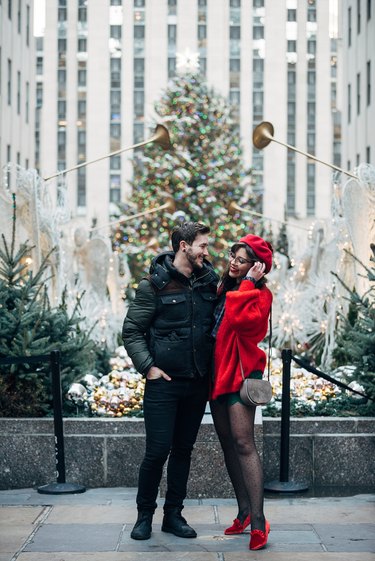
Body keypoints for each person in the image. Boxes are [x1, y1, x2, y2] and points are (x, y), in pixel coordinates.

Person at [122, 221, 218, 541]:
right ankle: (144, 515)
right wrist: (148, 367)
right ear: (184, 246)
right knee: (157, 450)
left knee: (183, 450)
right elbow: (132, 331)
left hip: (197, 382)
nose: (207, 251)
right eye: (202, 245)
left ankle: (173, 515)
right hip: (163, 383)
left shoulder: (208, 281)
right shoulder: (153, 285)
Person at [210, 234, 273, 551]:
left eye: (241, 260)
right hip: (216, 374)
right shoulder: (222, 288)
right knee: (227, 443)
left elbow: (241, 321)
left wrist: (248, 283)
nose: (233, 263)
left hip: (241, 374)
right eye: (232, 257)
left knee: (243, 442)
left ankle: (260, 521)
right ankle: (244, 511)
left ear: (257, 267)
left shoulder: (261, 295)